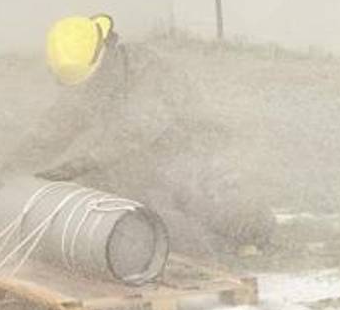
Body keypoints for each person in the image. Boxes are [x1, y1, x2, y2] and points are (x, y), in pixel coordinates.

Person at [34, 14, 275, 255]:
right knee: (120, 198)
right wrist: (21, 162)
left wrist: (80, 164)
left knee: (174, 218)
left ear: (105, 56)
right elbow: (61, 121)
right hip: (150, 160)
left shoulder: (152, 73)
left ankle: (244, 235)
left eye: (89, 79)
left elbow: (133, 132)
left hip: (194, 155)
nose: (86, 86)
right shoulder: (101, 76)